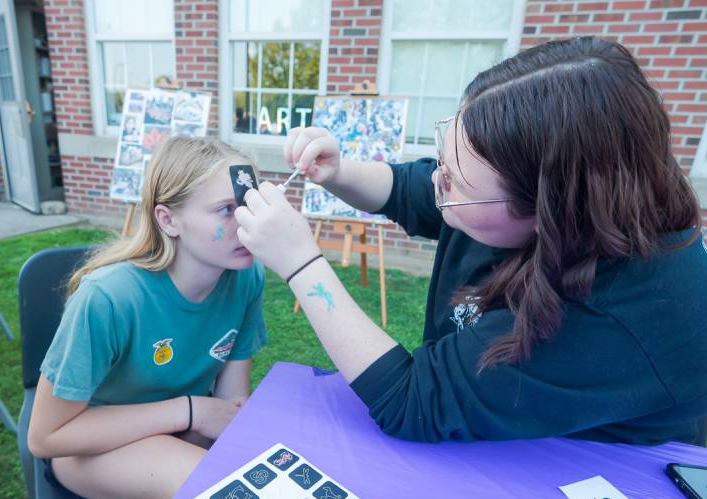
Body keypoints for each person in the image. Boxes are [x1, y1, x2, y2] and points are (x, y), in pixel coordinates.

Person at [234, 36, 707, 445]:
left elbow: (412, 400)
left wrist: (299, 263)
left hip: (582, 476)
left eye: (457, 182)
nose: (440, 182)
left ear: (550, 211)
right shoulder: (552, 191)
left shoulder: (626, 312)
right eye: (445, 160)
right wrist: (337, 172)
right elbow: (415, 191)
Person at [28, 137, 267, 499]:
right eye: (226, 209)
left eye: (252, 205)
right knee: (213, 495)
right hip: (88, 447)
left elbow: (229, 403)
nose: (249, 220)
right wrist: (189, 410)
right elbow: (46, 436)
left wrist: (205, 417)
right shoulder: (108, 298)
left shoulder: (246, 278)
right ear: (168, 219)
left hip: (183, 429)